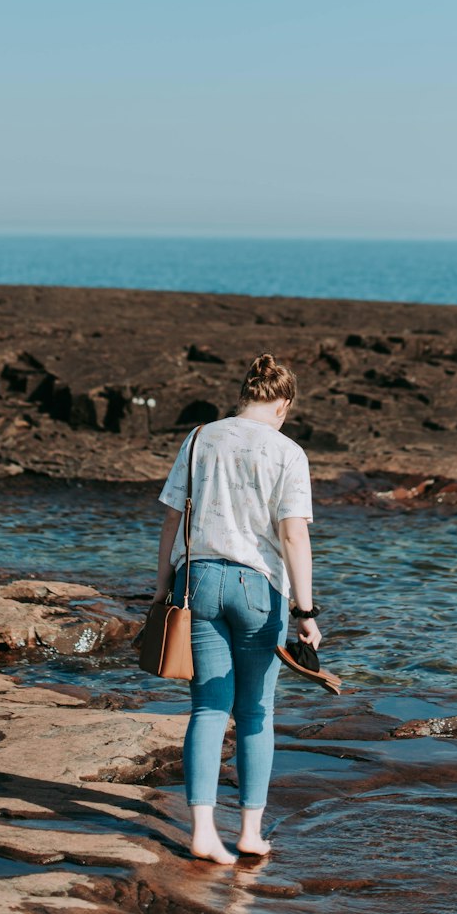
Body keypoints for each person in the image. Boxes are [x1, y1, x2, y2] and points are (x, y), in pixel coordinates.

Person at [153, 353, 321, 865]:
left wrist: (162, 591)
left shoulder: (201, 437)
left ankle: (203, 833)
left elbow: (170, 522)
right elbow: (293, 536)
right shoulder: (288, 452)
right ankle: (250, 831)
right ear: (283, 404)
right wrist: (305, 611)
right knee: (255, 711)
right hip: (257, 587)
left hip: (197, 579)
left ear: (244, 396)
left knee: (207, 707)